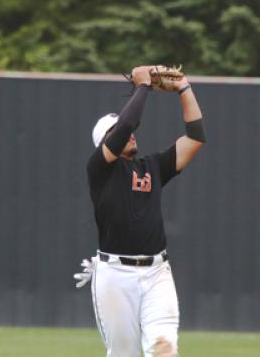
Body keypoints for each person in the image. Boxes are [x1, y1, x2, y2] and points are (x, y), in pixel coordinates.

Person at [79, 65, 205, 357]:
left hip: (156, 272)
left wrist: (185, 88)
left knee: (164, 348)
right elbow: (127, 125)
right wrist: (143, 86)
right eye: (116, 131)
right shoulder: (99, 169)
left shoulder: (151, 167)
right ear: (104, 142)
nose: (129, 133)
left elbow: (195, 137)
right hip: (115, 276)